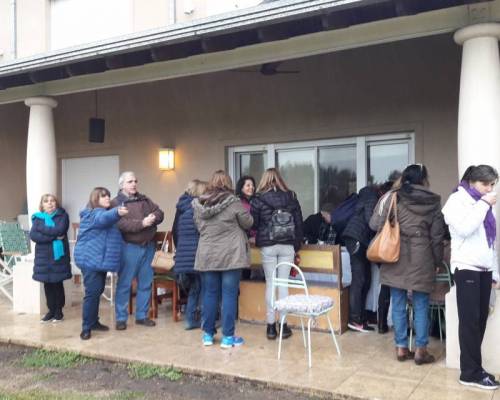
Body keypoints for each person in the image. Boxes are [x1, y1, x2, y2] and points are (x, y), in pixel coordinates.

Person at [369, 164, 445, 364]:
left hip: (395, 254)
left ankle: (401, 348)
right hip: (423, 256)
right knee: (421, 304)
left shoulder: (394, 196)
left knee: (398, 301)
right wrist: (437, 261)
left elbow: (374, 224)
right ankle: (421, 350)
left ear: (404, 179)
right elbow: (437, 237)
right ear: (424, 180)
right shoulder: (434, 201)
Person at [442, 165, 500, 390]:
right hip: (466, 268)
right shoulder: (456, 201)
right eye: (485, 184)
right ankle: (468, 372)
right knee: (469, 322)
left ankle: (475, 369)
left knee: (480, 320)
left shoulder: (485, 204)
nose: (489, 188)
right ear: (472, 182)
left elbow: (490, 240)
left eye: (493, 185)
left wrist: (494, 272)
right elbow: (465, 228)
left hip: (484, 270)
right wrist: (484, 204)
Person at [193, 170, 253, 348]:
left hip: (208, 255)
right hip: (231, 255)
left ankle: (208, 335)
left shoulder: (198, 204)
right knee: (229, 294)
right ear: (228, 183)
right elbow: (248, 222)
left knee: (209, 294)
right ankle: (228, 337)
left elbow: (199, 227)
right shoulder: (233, 203)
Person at [251, 168, 304, 340]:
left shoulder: (258, 199)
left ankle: (270, 327)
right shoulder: (291, 197)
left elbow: (254, 223)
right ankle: (284, 325)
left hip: (268, 245)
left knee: (270, 284)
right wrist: (296, 246)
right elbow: (299, 223)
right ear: (280, 179)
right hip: (287, 245)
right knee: (283, 284)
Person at [343, 177, 399, 334]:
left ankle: (361, 317)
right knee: (359, 280)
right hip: (357, 238)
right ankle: (355, 319)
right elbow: (370, 221)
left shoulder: (370, 196)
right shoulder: (371, 196)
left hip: (359, 239)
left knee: (365, 279)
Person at [111, 171, 164, 330]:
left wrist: (154, 217)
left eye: (135, 181)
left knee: (146, 283)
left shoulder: (144, 199)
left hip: (148, 247)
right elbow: (122, 225)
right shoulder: (116, 203)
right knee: (125, 284)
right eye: (129, 182)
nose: (133, 184)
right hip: (129, 248)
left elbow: (160, 212)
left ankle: (142, 316)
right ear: (122, 185)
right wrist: (143, 223)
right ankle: (121, 318)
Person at [74, 187, 128, 340]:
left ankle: (94, 322)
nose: (107, 198)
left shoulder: (105, 214)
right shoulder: (93, 214)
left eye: (108, 196)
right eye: (103, 196)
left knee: (97, 291)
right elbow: (102, 219)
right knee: (92, 293)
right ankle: (86, 327)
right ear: (95, 199)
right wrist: (117, 211)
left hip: (99, 260)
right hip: (89, 259)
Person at [30, 194, 71, 323]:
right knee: (47, 284)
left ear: (56, 203)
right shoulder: (38, 218)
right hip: (43, 257)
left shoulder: (62, 216)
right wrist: (53, 237)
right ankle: (51, 311)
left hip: (57, 256)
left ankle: (59, 312)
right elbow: (33, 235)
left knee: (57, 282)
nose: (49, 203)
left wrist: (42, 230)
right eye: (46, 201)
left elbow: (60, 230)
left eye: (52, 201)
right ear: (42, 205)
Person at [172, 179, 207, 330]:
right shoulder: (197, 210)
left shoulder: (183, 210)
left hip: (183, 257)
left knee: (195, 288)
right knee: (203, 288)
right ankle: (197, 319)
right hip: (196, 256)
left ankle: (190, 318)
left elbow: (177, 233)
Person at [235, 175, 256, 240]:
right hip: (242, 239)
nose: (251, 187)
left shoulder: (257, 201)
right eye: (248, 185)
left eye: (252, 185)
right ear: (241, 188)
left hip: (255, 240)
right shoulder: (237, 203)